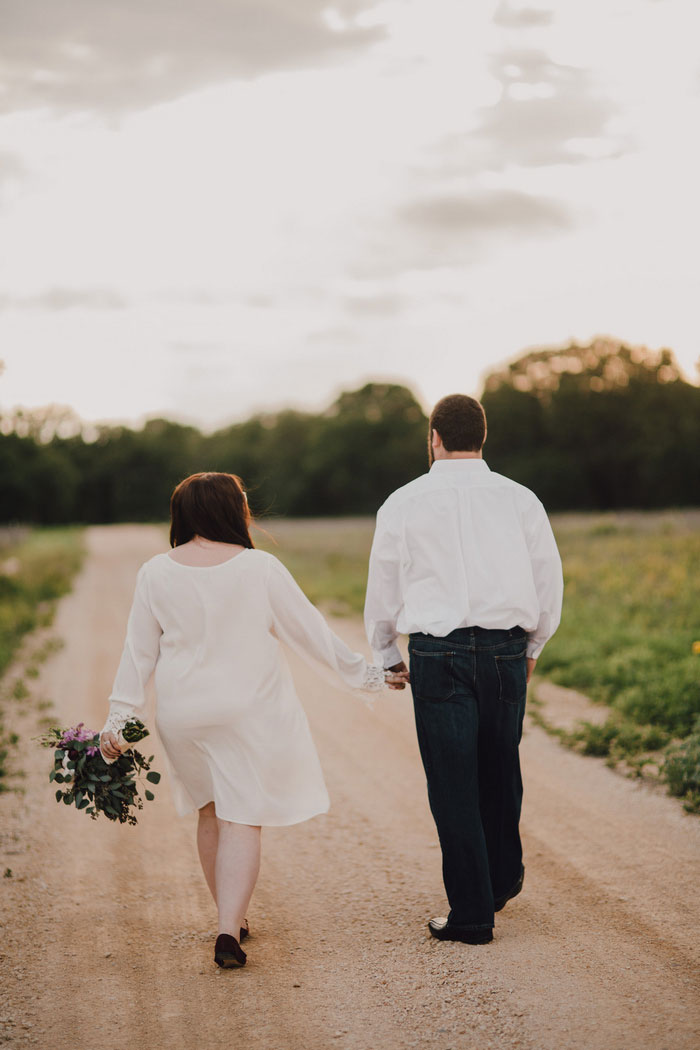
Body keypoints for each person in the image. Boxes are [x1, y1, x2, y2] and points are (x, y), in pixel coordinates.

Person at [100, 471, 408, 969]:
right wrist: (371, 676)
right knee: (242, 816)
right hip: (245, 712)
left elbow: (138, 654)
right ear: (232, 511)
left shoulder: (155, 571)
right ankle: (228, 930)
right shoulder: (260, 568)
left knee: (209, 810)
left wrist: (119, 717)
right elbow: (311, 634)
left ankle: (230, 916)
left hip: (182, 715)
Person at [364, 394, 563, 944]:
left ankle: (473, 912)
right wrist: (534, 647)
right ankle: (500, 877)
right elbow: (547, 577)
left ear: (433, 436)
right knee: (500, 766)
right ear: (482, 436)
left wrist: (385, 652)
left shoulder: (402, 502)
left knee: (452, 781)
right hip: (505, 648)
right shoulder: (520, 499)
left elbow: (385, 582)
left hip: (437, 651)